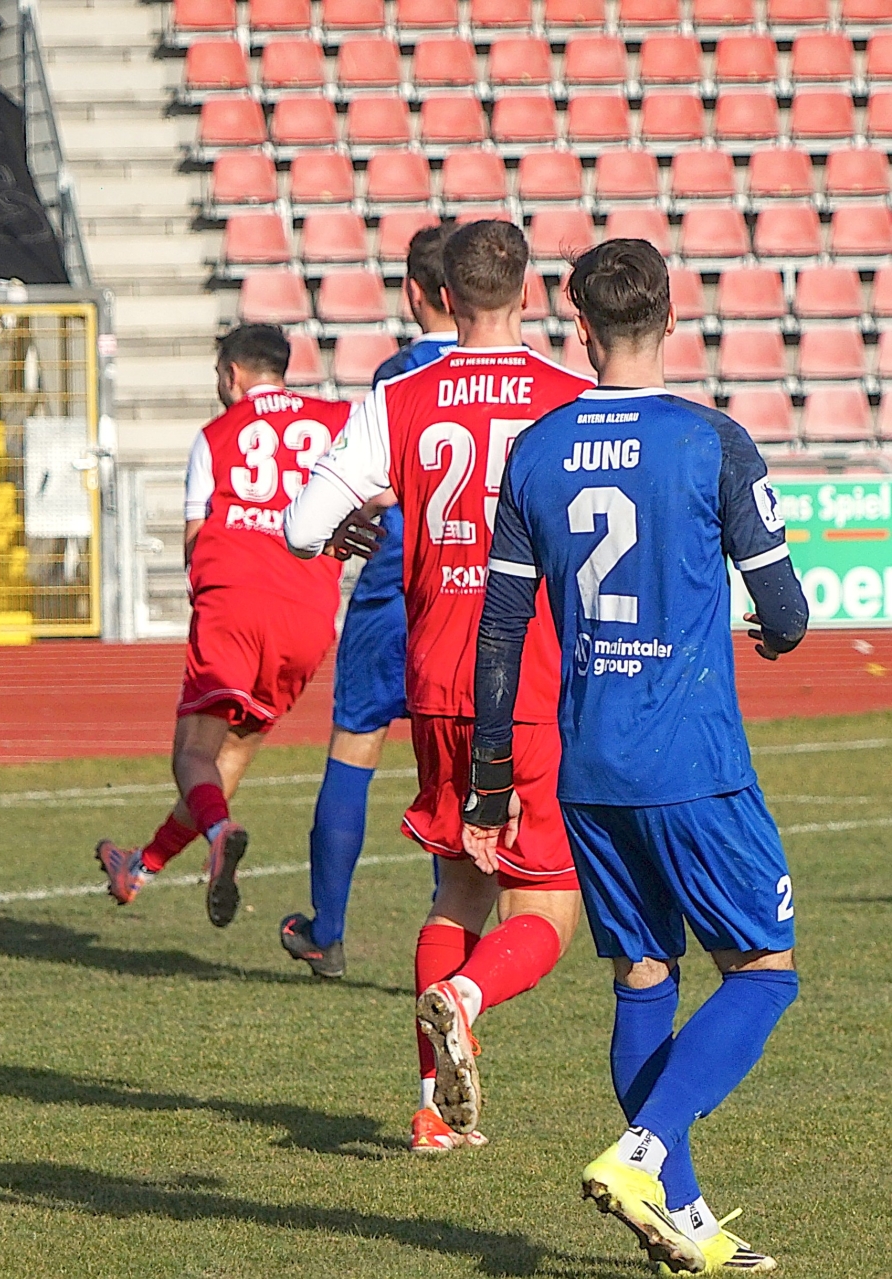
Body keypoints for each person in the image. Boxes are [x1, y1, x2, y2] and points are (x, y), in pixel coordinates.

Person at [465, 239, 806, 1273]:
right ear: (671, 316)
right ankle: (647, 1150)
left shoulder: (534, 449)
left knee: (643, 975)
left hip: (590, 763)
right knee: (764, 970)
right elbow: (786, 612)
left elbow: (501, 632)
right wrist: (770, 632)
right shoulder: (713, 441)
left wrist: (491, 784)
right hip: (693, 758)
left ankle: (684, 1221)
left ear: (578, 324)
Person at [283, 221, 594, 1153]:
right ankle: (467, 995)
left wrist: (375, 505)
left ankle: (431, 1109)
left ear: (443, 298)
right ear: (528, 293)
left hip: (437, 673)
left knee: (456, 889)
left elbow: (304, 527)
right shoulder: (570, 395)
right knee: (545, 906)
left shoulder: (402, 392)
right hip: (529, 674)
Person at [94, 324, 356, 929]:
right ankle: (141, 868)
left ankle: (218, 830)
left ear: (234, 374)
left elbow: (193, 539)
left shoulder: (216, 435)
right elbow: (371, 503)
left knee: (192, 756)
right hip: (309, 614)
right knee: (231, 752)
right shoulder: (339, 421)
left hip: (236, 601)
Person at [279, 223, 457, 982]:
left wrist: (347, 521)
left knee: (354, 746)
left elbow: (362, 476)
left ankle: (328, 930)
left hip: (392, 586)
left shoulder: (398, 375)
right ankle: (455, 934)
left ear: (417, 293)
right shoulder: (521, 377)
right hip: (476, 599)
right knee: (459, 766)